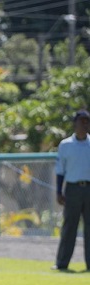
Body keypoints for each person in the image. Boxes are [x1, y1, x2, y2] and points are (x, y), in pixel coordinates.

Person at [52, 109, 90, 272]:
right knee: (69, 227)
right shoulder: (65, 145)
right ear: (75, 123)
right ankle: (62, 263)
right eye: (81, 121)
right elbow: (60, 170)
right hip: (73, 188)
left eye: (87, 121)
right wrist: (59, 192)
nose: (84, 124)